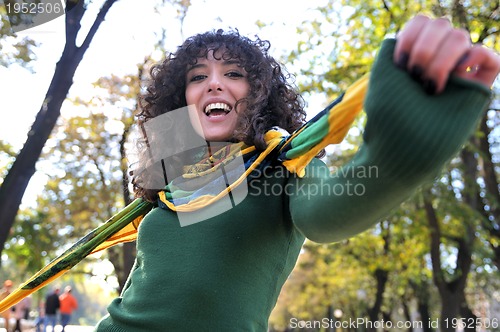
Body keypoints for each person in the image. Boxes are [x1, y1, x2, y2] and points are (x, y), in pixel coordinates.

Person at [94, 15, 500, 331]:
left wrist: (399, 152)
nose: (213, 84)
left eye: (233, 74)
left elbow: (326, 215)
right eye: (197, 77)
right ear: (181, 99)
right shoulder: (172, 184)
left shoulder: (285, 162)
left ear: (260, 93)